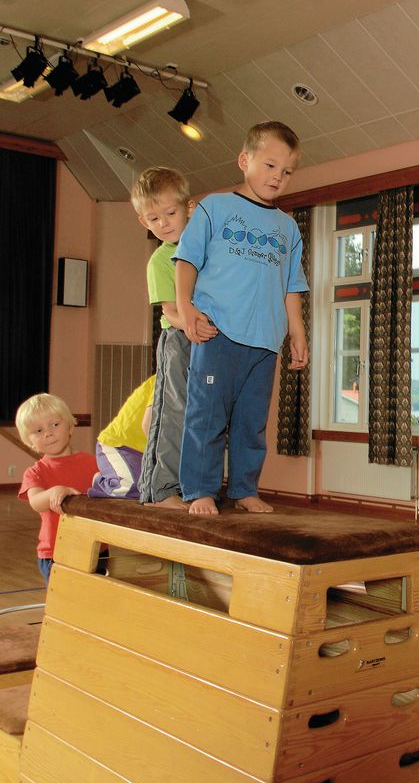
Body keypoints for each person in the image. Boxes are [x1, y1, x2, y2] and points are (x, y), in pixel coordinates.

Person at [174, 121, 309, 516]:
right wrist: (186, 309)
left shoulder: (287, 227)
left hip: (265, 341)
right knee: (208, 415)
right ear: (244, 160)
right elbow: (186, 261)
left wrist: (297, 332)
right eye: (270, 166)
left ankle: (244, 488)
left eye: (286, 172)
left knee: (251, 422)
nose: (277, 177)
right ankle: (199, 489)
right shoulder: (214, 208)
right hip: (217, 333)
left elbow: (291, 285)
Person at [133, 166, 216, 510]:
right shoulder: (160, 260)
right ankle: (160, 489)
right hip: (179, 341)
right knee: (173, 412)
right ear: (144, 222)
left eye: (171, 213)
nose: (165, 223)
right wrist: (193, 325)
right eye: (154, 218)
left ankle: (194, 485)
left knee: (204, 414)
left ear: (189, 208)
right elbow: (170, 311)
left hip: (206, 340)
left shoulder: (206, 250)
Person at [16, 393, 98, 584]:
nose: (48, 433)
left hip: (95, 549)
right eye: (38, 430)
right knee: (65, 601)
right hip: (55, 551)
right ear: (30, 442)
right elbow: (36, 502)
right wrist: (54, 492)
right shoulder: (35, 472)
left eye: (54, 424)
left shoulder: (92, 462)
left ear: (70, 427)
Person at [88, 375, 156, 499]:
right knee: (133, 487)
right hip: (119, 445)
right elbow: (148, 426)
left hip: (145, 452)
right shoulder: (166, 379)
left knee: (154, 490)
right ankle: (101, 482)